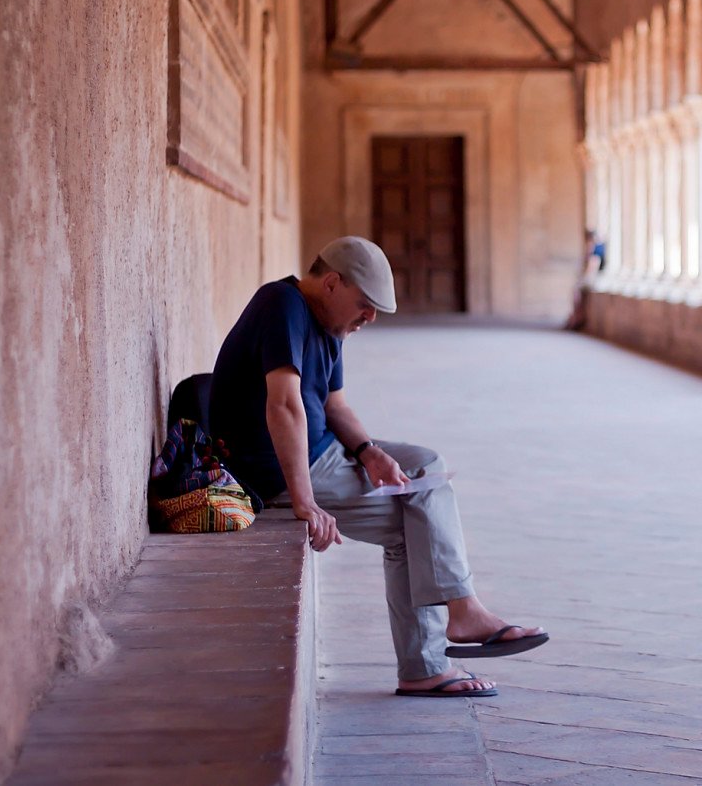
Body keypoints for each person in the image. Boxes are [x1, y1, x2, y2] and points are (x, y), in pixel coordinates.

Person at [210, 236, 547, 698]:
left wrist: (370, 452)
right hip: (275, 466)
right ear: (331, 283)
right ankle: (429, 659)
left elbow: (334, 404)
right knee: (415, 525)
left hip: (323, 449)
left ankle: (461, 612)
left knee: (425, 465)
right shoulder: (280, 304)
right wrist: (304, 501)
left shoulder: (327, 323)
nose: (369, 319)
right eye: (365, 306)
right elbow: (284, 406)